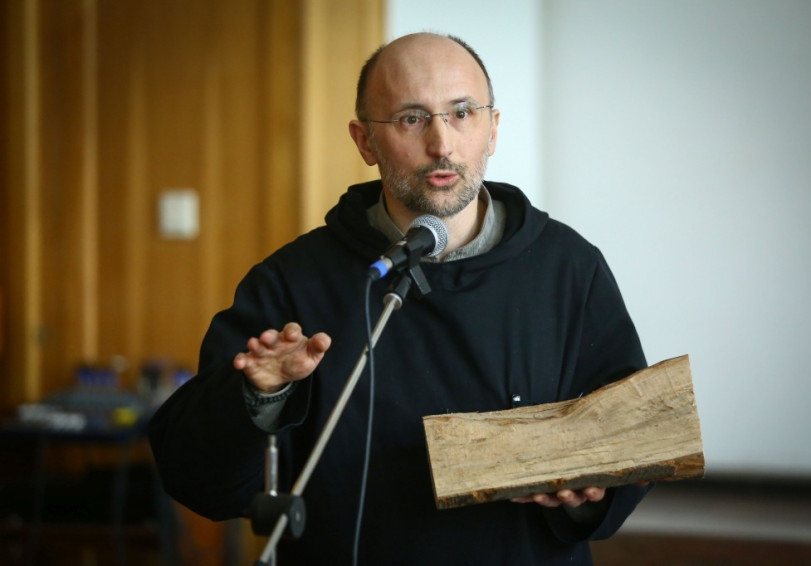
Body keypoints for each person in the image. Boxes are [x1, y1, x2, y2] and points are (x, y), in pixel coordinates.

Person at [148, 32, 651, 565]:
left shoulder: (568, 268)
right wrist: (258, 398)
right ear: (365, 141)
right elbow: (197, 477)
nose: (442, 144)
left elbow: (632, 438)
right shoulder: (293, 282)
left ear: (493, 129)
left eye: (463, 113)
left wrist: (591, 491)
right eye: (412, 118)